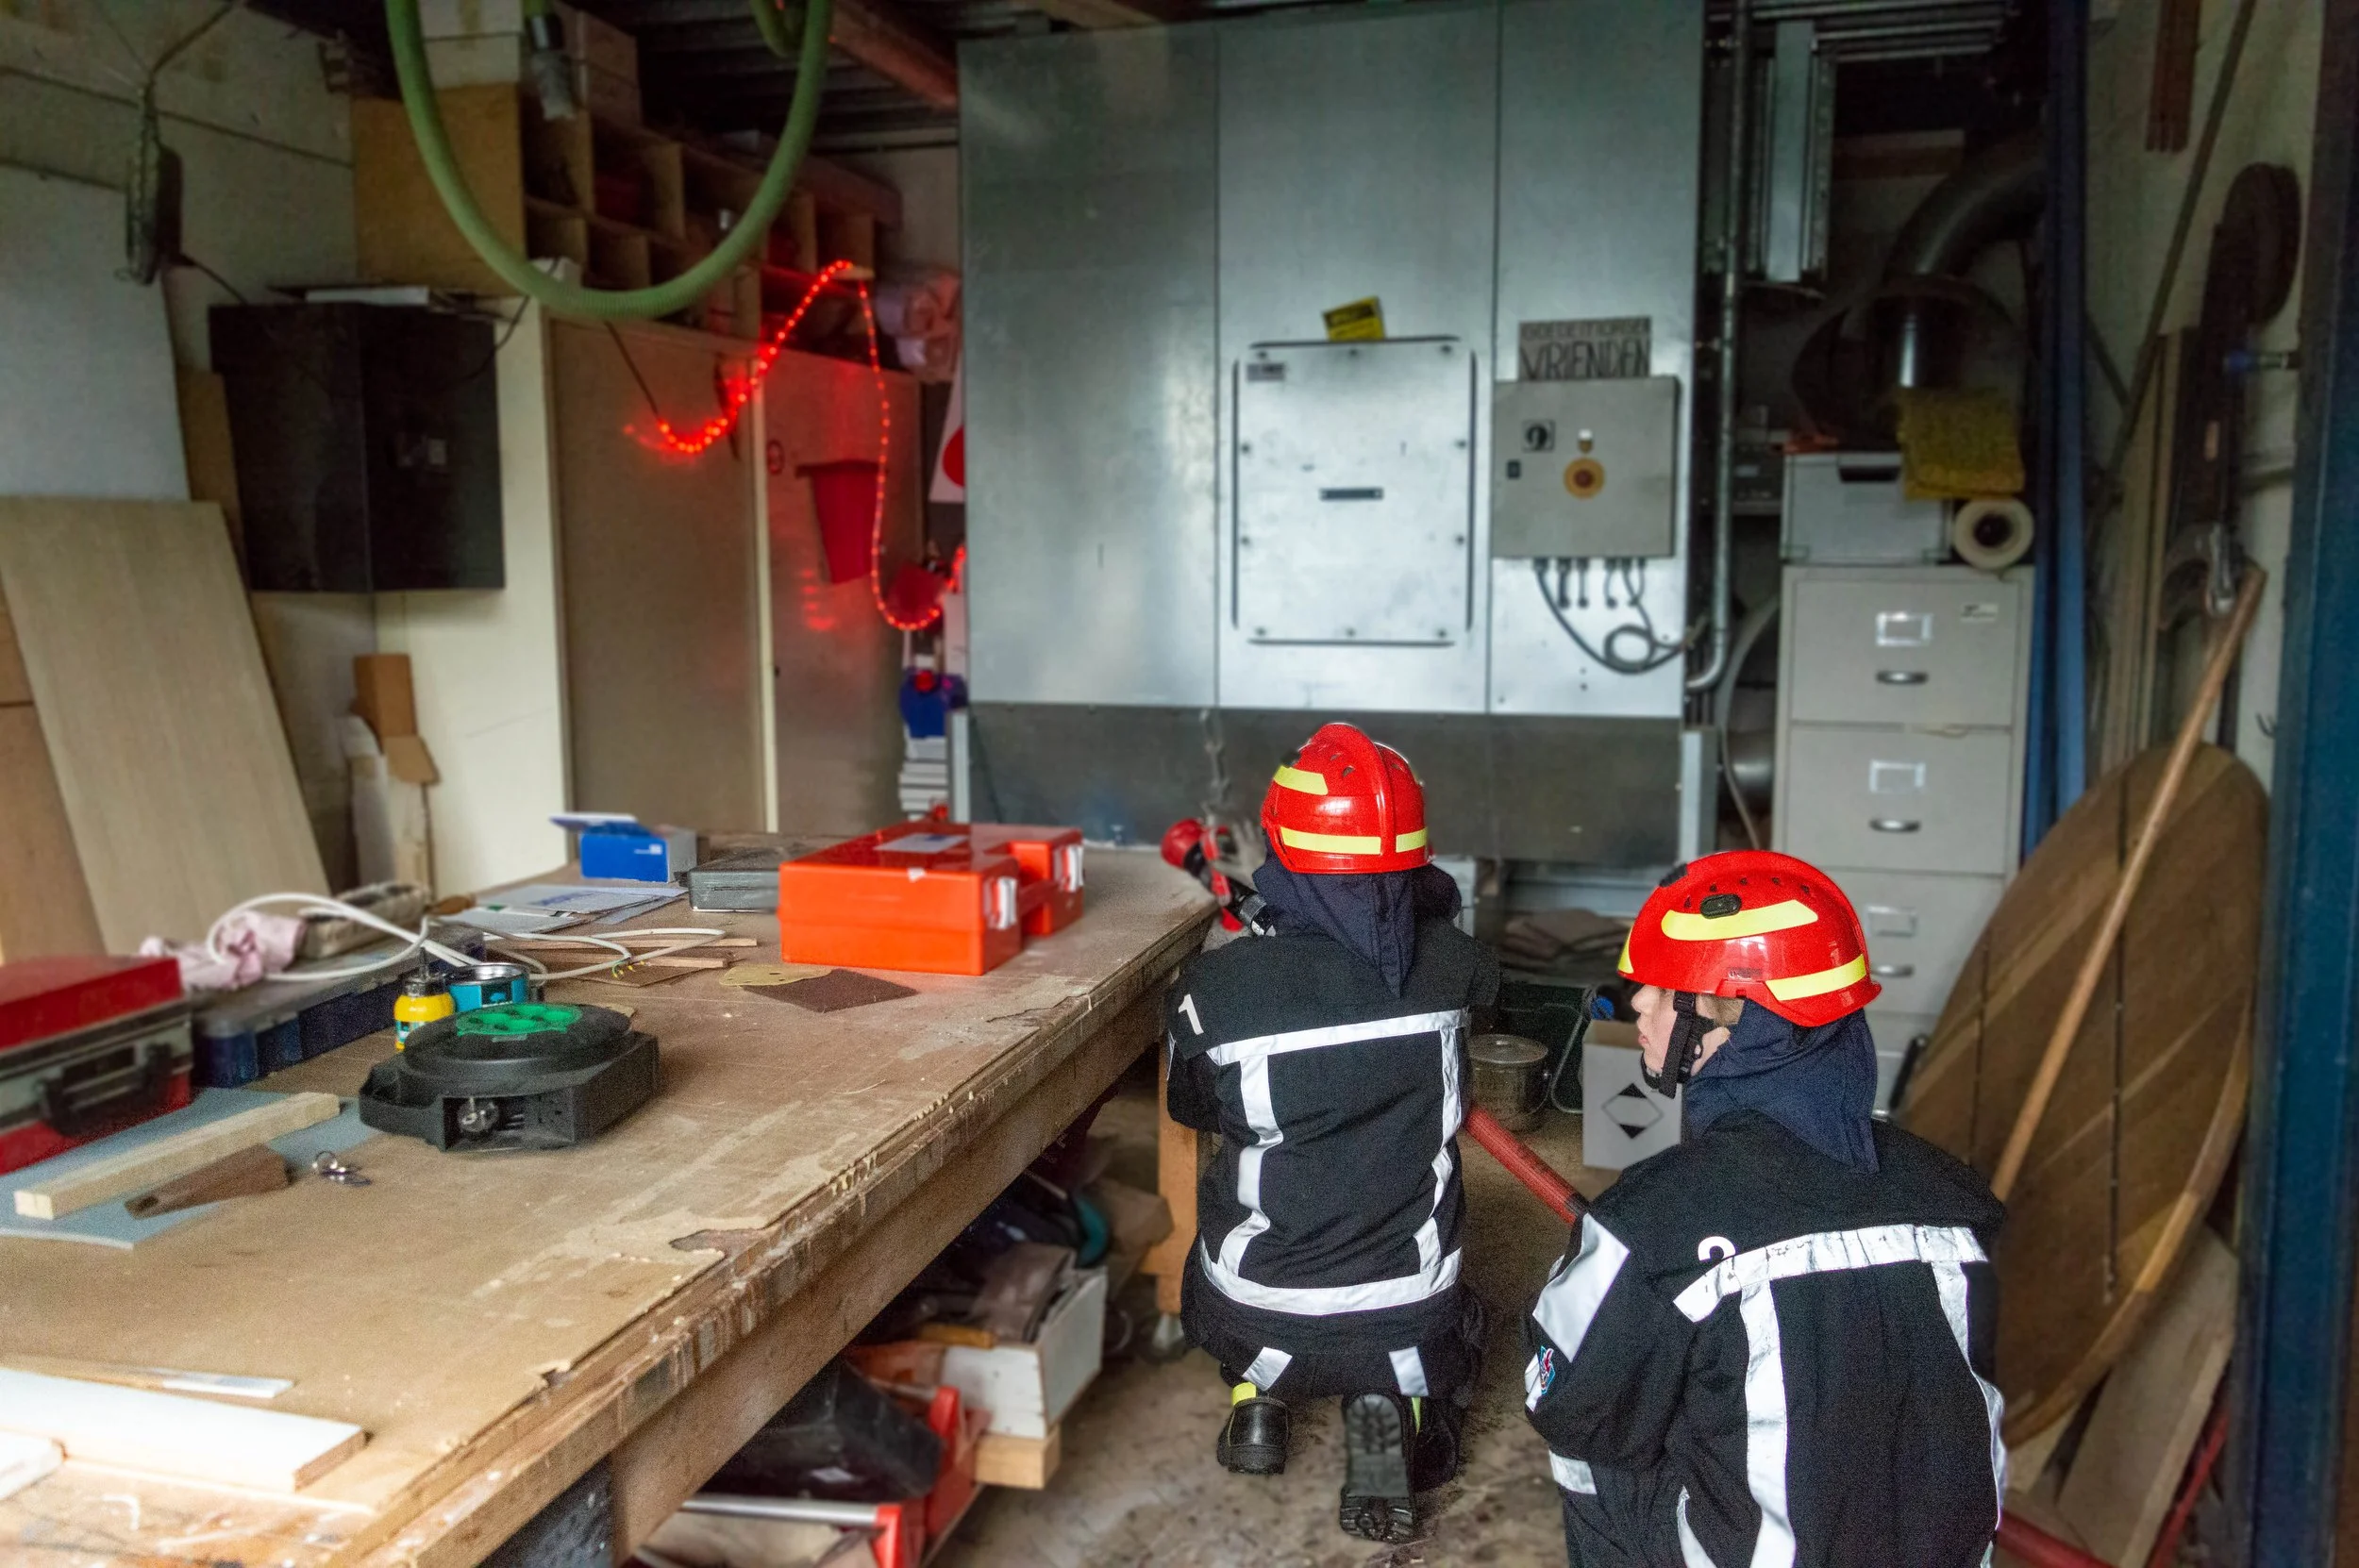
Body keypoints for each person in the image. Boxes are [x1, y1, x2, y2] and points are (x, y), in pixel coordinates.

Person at [1523, 850, 2006, 1567]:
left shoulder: (1653, 1220)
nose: (1639, 1006)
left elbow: (1567, 1406)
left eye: (1665, 989)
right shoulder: (1955, 1195)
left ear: (1738, 1023)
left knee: (1590, 1454)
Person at [1164, 721, 1498, 1543]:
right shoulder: (1461, 969)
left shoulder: (1212, 991)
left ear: (1280, 847)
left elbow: (1192, 1111)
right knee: (1399, 1313)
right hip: (1406, 1303)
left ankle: (1257, 1404)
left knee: (1235, 1194)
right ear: (1415, 853)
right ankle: (1384, 1420)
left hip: (1258, 1301)